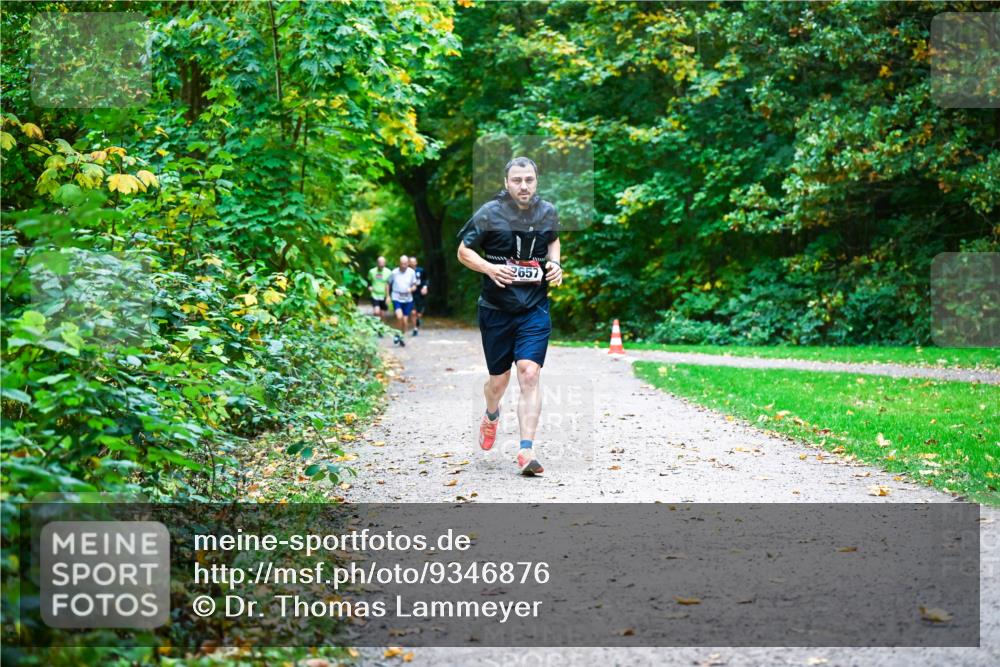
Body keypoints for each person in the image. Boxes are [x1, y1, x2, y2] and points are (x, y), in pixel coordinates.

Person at [456, 156, 562, 476]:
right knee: (498, 382)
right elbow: (463, 251)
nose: (523, 186)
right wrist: (489, 267)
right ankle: (491, 414)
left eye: (529, 180)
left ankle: (526, 452)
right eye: (517, 180)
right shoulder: (489, 213)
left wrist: (555, 265)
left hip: (534, 307)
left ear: (536, 181)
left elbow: (553, 240)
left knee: (529, 373)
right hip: (496, 310)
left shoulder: (547, 212)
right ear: (506, 183)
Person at [388, 254, 418, 346]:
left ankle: (401, 336)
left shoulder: (411, 272)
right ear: (399, 263)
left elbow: (415, 285)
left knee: (405, 321)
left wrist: (411, 289)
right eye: (402, 264)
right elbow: (388, 284)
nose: (403, 266)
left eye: (405, 264)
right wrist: (388, 296)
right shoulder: (394, 272)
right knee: (399, 317)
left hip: (408, 299)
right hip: (396, 297)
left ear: (408, 263)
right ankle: (397, 333)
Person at [367, 256, 392, 326]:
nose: (381, 264)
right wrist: (369, 287)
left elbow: (390, 285)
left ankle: (382, 327)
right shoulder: (371, 271)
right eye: (380, 263)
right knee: (376, 311)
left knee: (383, 314)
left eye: (383, 263)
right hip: (374, 294)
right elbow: (368, 281)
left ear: (385, 263)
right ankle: (376, 326)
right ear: (377, 263)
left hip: (384, 295)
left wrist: (388, 296)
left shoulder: (388, 272)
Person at [408, 255, 428, 336]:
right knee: (413, 312)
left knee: (419, 313)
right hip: (411, 294)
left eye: (414, 262)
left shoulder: (421, 270)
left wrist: (425, 287)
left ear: (416, 262)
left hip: (420, 294)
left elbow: (426, 279)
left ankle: (418, 320)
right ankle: (415, 328)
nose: (412, 263)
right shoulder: (407, 272)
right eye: (411, 262)